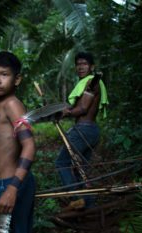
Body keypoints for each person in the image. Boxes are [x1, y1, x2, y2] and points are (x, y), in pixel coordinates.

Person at [0, 51, 36, 233]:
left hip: (12, 182)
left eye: (4, 74)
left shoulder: (12, 105)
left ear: (17, 79)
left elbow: (29, 145)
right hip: (4, 182)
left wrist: (12, 188)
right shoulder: (0, 104)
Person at [55, 52, 108, 209]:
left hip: (84, 130)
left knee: (62, 163)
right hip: (90, 130)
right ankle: (88, 205)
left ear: (92, 67)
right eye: (78, 64)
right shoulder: (88, 82)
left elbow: (83, 108)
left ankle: (76, 198)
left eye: (84, 64)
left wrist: (66, 113)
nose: (80, 67)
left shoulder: (92, 82)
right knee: (80, 170)